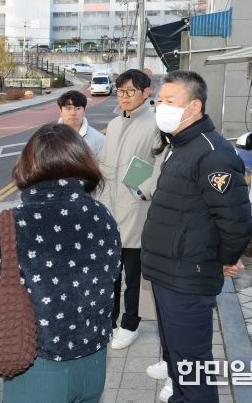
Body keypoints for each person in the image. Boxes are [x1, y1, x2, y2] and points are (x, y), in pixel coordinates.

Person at [0, 124, 121, 403]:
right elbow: (112, 277)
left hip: (38, 370)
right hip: (94, 363)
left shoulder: (11, 225)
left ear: (29, 165)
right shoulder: (102, 216)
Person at [141, 71, 252, 403]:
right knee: (178, 362)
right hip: (167, 273)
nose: (161, 107)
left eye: (170, 101)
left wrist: (223, 260)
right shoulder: (180, 145)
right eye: (159, 101)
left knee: (192, 367)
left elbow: (236, 221)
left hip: (189, 277)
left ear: (194, 107)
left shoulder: (212, 152)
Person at [97, 68, 162, 350]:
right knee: (110, 273)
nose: (124, 97)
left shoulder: (157, 124)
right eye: (120, 91)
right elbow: (104, 163)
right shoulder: (113, 124)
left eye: (130, 91)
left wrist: (142, 190)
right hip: (109, 211)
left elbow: (161, 165)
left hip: (136, 211)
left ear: (147, 92)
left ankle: (130, 324)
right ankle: (110, 322)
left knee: (133, 275)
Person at [56, 90, 105, 157]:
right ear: (60, 111)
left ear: (84, 111)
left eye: (78, 108)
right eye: (68, 108)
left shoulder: (99, 140)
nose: (73, 113)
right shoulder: (50, 137)